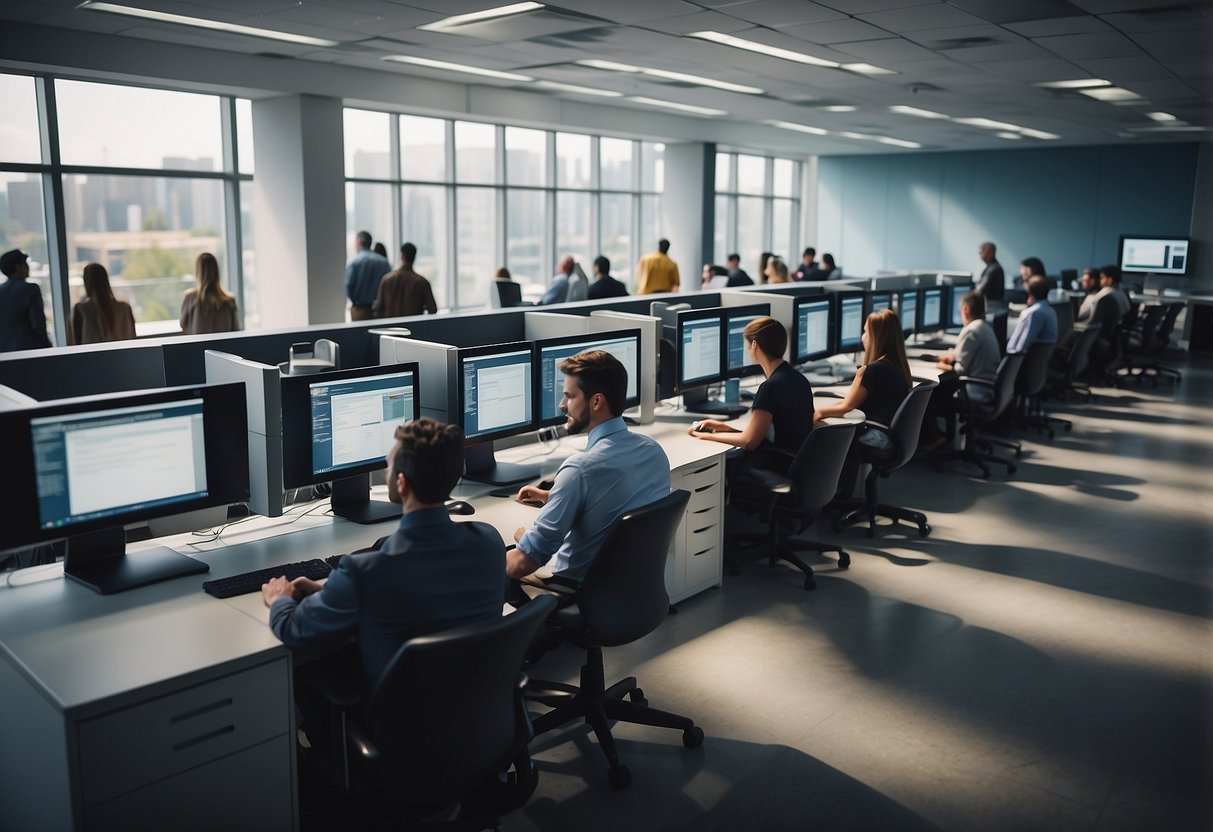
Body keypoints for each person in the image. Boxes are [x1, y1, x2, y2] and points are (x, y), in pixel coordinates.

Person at [263, 418, 505, 704]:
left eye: (389, 464)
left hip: (402, 724)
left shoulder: (366, 571)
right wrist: (335, 594)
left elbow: (295, 630)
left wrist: (280, 599)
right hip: (476, 710)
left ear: (401, 483)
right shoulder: (489, 541)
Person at [508, 350, 670, 591]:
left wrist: (483, 561)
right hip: (631, 590)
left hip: (576, 589)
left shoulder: (579, 469)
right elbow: (618, 504)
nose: (563, 405)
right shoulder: (653, 451)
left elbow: (524, 563)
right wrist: (554, 497)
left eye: (570, 396)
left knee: (501, 562)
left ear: (596, 402)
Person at [688, 317, 813, 514]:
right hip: (794, 461)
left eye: (747, 344)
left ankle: (726, 528)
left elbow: (750, 442)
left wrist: (705, 436)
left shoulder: (770, 387)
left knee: (728, 460)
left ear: (754, 344)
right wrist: (724, 427)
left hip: (776, 465)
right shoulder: (796, 378)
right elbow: (770, 429)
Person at [813, 309, 912, 493]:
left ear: (876, 337)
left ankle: (833, 496)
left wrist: (817, 413)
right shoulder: (896, 365)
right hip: (889, 437)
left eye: (866, 331)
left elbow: (846, 406)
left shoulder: (873, 370)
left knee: (821, 433)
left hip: (877, 438)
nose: (863, 337)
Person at [921, 291, 1000, 449]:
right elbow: (967, 354)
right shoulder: (984, 326)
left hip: (974, 388)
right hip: (987, 384)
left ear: (965, 310)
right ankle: (943, 437)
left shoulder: (971, 330)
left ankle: (936, 438)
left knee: (928, 393)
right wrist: (953, 355)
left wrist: (938, 365)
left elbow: (960, 371)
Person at [70, 262, 136, 345]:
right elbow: (133, 338)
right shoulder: (124, 308)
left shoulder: (81, 309)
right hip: (123, 356)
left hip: (93, 357)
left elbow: (76, 344)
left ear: (86, 282)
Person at [0, 249, 51, 351]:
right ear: (18, 267)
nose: (28, 267)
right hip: (28, 350)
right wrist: (47, 346)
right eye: (25, 264)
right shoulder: (31, 289)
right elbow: (38, 324)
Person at [180, 252, 240, 335]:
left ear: (198, 272)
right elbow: (236, 330)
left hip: (197, 347)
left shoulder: (190, 298)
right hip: (222, 347)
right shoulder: (229, 301)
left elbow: (183, 326)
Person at [374, 242, 437, 318]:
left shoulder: (386, 279)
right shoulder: (422, 282)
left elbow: (378, 309)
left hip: (391, 327)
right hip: (414, 327)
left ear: (402, 256)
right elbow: (432, 309)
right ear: (414, 257)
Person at [344, 230, 392, 321]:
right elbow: (388, 286)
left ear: (359, 243)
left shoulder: (354, 262)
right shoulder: (384, 262)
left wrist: (354, 301)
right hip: (379, 311)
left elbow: (348, 285)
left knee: (359, 334)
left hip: (359, 309)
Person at [1005, 274, 1058, 354]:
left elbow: (1019, 347)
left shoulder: (1034, 314)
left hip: (1027, 362)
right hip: (1043, 361)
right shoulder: (1051, 311)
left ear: (1030, 293)